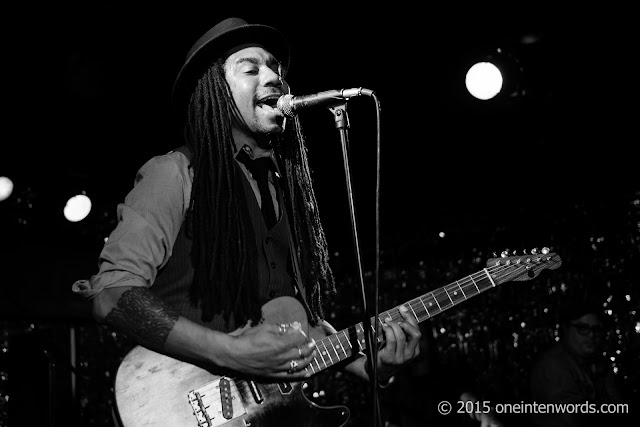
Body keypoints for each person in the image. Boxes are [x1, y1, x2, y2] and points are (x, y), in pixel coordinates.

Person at [71, 16, 421, 423]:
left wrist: (374, 366)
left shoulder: (283, 189)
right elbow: (112, 294)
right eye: (252, 69)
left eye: (276, 69)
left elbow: (296, 324)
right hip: (176, 400)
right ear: (214, 93)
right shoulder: (175, 173)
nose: (274, 78)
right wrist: (229, 351)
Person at [529, 301, 626, 427]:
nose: (591, 335)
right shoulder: (553, 367)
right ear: (566, 329)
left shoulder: (597, 363)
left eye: (596, 329)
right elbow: (576, 419)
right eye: (583, 329)